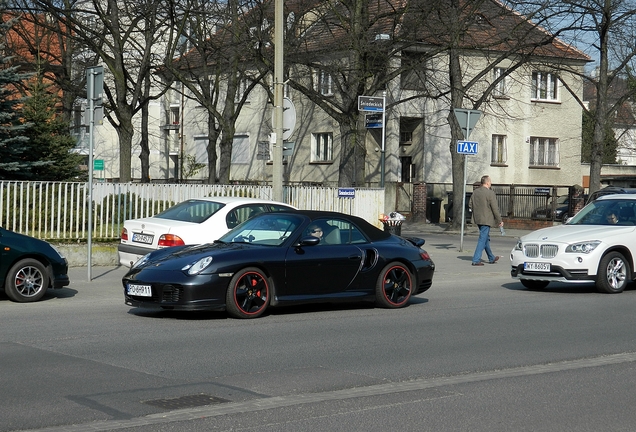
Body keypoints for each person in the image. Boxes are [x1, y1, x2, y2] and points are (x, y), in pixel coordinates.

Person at [469, 175, 504, 266]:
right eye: (490, 182)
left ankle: (491, 257)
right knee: (482, 239)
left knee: (485, 238)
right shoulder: (490, 193)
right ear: (487, 183)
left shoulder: (475, 192)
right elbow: (495, 208)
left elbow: (470, 205)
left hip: (477, 218)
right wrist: (499, 220)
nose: (491, 183)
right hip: (486, 219)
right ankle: (476, 259)